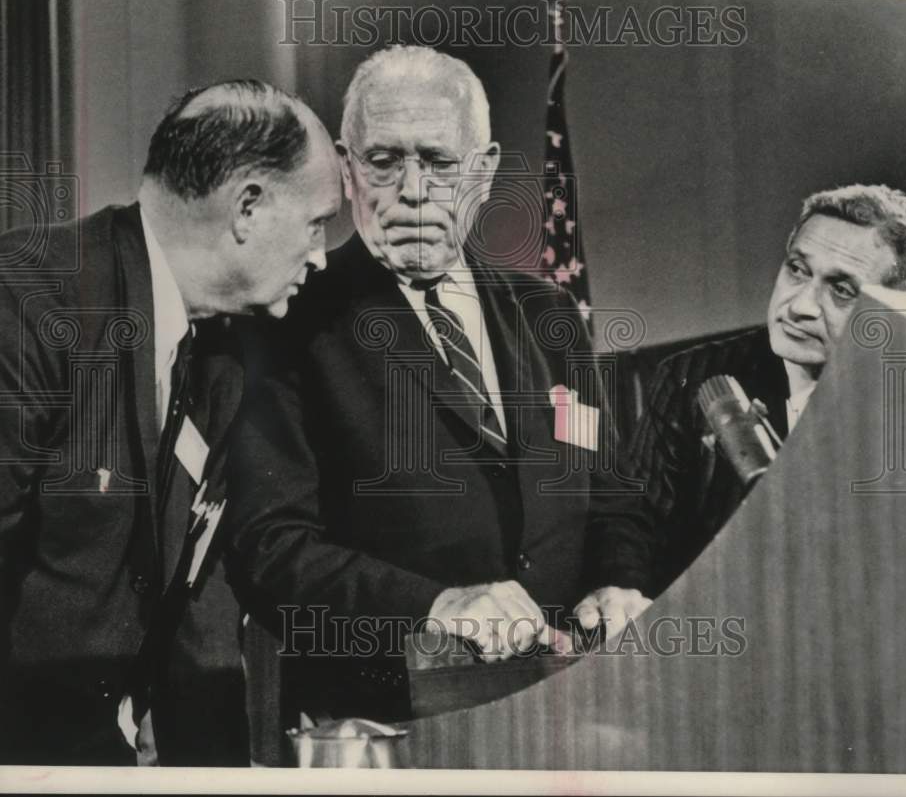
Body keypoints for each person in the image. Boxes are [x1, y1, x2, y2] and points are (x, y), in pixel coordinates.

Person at [227, 46, 654, 723]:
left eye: (439, 161)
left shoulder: (550, 316)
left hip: (568, 703)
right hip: (384, 719)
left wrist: (617, 581)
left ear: (482, 171)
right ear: (345, 167)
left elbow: (609, 496)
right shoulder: (286, 317)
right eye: (385, 160)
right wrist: (434, 604)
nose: (414, 189)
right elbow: (269, 549)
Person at [0, 80, 342, 765]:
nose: (321, 256)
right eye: (317, 223)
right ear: (248, 206)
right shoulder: (29, 300)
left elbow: (199, 608)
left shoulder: (218, 356)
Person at [630, 184, 906, 594]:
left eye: (841, 290)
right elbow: (632, 525)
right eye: (797, 269)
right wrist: (619, 589)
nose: (800, 306)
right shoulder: (690, 375)